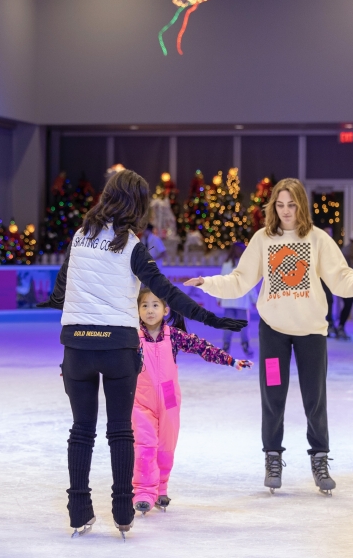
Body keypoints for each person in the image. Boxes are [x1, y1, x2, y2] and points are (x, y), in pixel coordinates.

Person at [43, 169, 245, 540]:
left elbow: (60, 291)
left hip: (77, 347)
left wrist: (71, 321)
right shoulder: (133, 246)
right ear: (136, 204)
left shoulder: (79, 237)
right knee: (121, 431)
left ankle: (78, 511)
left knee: (81, 431)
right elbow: (168, 292)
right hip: (118, 346)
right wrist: (212, 319)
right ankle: (122, 510)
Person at [185, 178, 353, 495]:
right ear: (273, 206)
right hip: (273, 333)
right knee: (273, 396)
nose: (286, 211)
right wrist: (207, 282)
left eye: (292, 204)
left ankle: (319, 458)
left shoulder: (317, 239)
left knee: (314, 398)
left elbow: (339, 276)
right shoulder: (263, 240)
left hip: (311, 332)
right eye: (280, 204)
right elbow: (239, 280)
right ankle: (272, 457)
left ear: (301, 205)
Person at [133, 288, 250, 515]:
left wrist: (230, 360)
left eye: (155, 305)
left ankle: (161, 487)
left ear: (166, 310)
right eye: (144, 305)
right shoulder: (132, 337)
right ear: (137, 310)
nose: (149, 310)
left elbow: (202, 347)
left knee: (166, 447)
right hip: (141, 400)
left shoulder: (173, 335)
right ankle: (144, 492)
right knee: (145, 447)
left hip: (168, 398)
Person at [219, 242, 253, 355]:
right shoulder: (245, 265)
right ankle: (245, 345)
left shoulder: (227, 264)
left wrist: (219, 298)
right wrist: (254, 299)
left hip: (229, 301)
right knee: (243, 326)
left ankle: (226, 346)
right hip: (241, 302)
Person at [319, 225, 338, 337]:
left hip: (327, 278)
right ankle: (323, 324)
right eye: (326, 232)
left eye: (329, 232)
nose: (327, 234)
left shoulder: (332, 247)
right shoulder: (318, 246)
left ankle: (329, 323)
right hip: (319, 277)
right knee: (322, 300)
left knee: (329, 300)